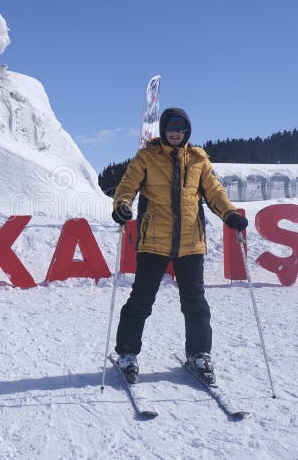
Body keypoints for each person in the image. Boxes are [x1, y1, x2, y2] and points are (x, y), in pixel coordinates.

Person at [111, 107, 248, 386]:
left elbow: (214, 192)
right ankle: (127, 353)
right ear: (163, 130)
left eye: (180, 128)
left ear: (187, 131)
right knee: (141, 300)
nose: (175, 132)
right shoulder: (146, 156)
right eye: (170, 128)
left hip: (190, 243)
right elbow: (127, 187)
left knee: (195, 302)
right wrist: (122, 206)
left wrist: (229, 213)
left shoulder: (199, 160)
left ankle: (199, 354)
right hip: (154, 241)